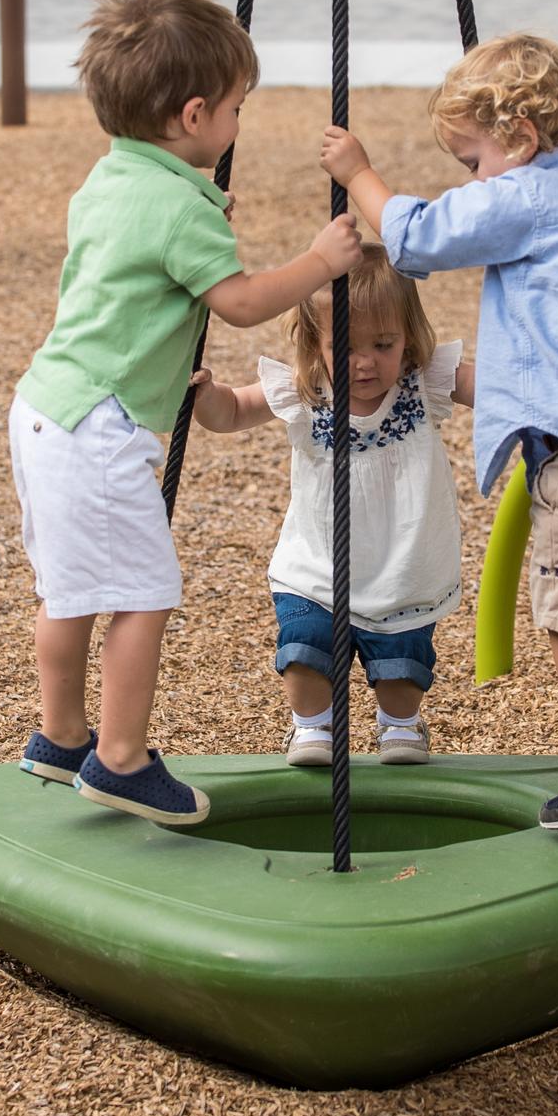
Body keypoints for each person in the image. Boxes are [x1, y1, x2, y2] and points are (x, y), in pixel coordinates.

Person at [320, 32, 558, 833]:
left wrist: (358, 173)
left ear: (523, 140)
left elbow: (417, 238)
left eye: (472, 162)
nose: (475, 179)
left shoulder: (527, 193)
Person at [12, 0, 361, 826]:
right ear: (195, 115)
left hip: (44, 408)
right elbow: (239, 301)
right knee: (144, 593)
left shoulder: (114, 179)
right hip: (101, 425)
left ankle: (58, 737)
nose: (240, 125)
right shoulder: (180, 210)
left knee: (67, 593)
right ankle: (120, 759)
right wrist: (321, 261)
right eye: (237, 110)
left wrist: (198, 206)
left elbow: (151, 247)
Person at [192, 244, 473, 765]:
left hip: (403, 563)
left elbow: (495, 390)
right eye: (343, 347)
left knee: (402, 663)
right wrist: (204, 392)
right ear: (313, 346)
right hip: (318, 565)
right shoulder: (307, 391)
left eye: (383, 344)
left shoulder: (424, 382)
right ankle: (311, 727)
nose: (364, 362)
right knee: (305, 646)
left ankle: (401, 725)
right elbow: (230, 412)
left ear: (409, 338)